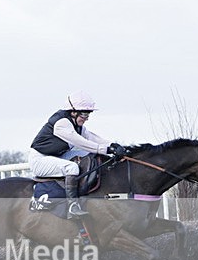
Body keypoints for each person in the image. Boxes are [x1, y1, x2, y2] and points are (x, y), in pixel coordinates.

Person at [29, 90, 126, 218]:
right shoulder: (61, 124)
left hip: (57, 156)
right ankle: (72, 206)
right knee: (72, 167)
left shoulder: (76, 124)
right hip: (40, 160)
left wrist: (113, 145)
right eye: (84, 114)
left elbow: (91, 137)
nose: (87, 118)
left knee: (89, 155)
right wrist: (105, 149)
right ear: (73, 112)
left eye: (88, 114)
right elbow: (81, 142)